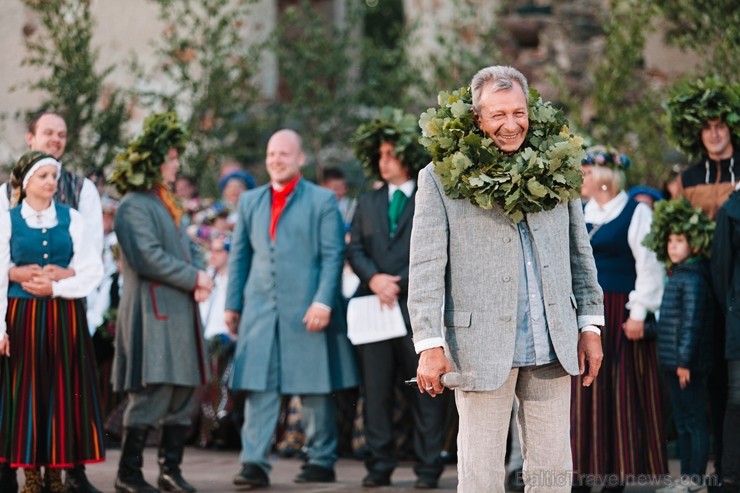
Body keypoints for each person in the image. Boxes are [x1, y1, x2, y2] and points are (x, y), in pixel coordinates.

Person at [409, 65, 605, 492]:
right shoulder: (439, 179)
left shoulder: (558, 168)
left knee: (553, 474)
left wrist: (590, 325)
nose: (511, 124)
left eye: (518, 112)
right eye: (498, 115)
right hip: (477, 347)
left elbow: (579, 254)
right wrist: (429, 344)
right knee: (480, 477)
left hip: (553, 341)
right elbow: (424, 268)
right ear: (477, 118)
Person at [224, 128, 359, 487]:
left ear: (300, 159)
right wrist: (231, 304)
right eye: (271, 154)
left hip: (308, 309)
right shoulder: (250, 201)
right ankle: (253, 462)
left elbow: (333, 255)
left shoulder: (322, 200)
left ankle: (321, 458)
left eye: (284, 153)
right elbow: (239, 258)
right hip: (260, 311)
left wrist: (323, 301)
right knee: (259, 386)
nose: (276, 160)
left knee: (314, 388)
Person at [0, 111, 104, 493]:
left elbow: (91, 265)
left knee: (62, 391)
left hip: (63, 315)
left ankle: (61, 475)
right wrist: (14, 277)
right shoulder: (7, 212)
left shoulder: (76, 207)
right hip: (23, 315)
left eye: (62, 134)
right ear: (31, 138)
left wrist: (60, 282)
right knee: (24, 392)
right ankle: (24, 474)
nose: (51, 182)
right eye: (48, 133)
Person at [109, 112, 213, 493]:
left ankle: (170, 470)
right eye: (170, 158)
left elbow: (189, 248)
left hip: (179, 310)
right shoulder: (133, 205)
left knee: (183, 390)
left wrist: (202, 275)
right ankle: (128, 474)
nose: (176, 165)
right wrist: (194, 278)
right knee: (153, 391)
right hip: (154, 312)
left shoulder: (168, 203)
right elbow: (146, 256)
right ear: (153, 162)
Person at [348, 109, 446, 488]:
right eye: (380, 155)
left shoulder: (428, 195)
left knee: (427, 390)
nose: (383, 161)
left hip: (414, 311)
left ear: (407, 155)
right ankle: (379, 465)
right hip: (376, 308)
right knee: (375, 391)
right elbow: (354, 247)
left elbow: (435, 247)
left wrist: (401, 282)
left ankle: (427, 467)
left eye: (390, 153)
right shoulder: (368, 202)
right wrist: (374, 279)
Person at [573, 146, 667, 492]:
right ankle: (580, 472)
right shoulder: (581, 211)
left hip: (618, 311)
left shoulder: (635, 212)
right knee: (582, 394)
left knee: (618, 393)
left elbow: (649, 265)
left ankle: (615, 475)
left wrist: (639, 312)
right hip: (585, 312)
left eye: (584, 174)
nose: (580, 180)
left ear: (602, 178)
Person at [666, 77, 740, 488]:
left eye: (720, 126)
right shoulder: (690, 176)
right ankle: (716, 464)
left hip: (735, 282)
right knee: (707, 374)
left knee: (735, 382)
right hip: (701, 285)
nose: (713, 133)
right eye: (706, 127)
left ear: (729, 128)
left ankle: (732, 464)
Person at [642, 198, 715, 492]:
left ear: (695, 245)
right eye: (670, 240)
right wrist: (647, 330)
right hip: (673, 363)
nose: (673, 245)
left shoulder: (694, 279)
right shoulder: (677, 275)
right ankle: (685, 477)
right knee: (683, 421)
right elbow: (670, 321)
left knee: (693, 421)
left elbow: (692, 324)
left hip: (687, 366)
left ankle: (694, 478)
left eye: (680, 240)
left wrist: (685, 362)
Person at [710, 184, 740, 493]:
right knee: (738, 396)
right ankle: (731, 475)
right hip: (739, 316)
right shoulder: (731, 211)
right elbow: (720, 268)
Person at [321, 167, 357, 232]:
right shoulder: (316, 208)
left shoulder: (352, 206)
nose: (340, 192)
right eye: (336, 188)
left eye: (343, 188)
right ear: (324, 187)